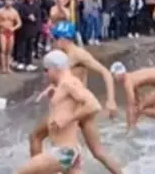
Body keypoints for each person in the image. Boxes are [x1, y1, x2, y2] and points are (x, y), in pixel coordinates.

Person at [30, 21, 122, 174]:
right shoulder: (62, 56)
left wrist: (111, 100)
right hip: (74, 105)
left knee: (37, 137)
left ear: (63, 39)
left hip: (78, 106)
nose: (53, 42)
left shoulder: (78, 53)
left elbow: (105, 72)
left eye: (54, 39)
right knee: (85, 151)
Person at [17, 50, 102, 174]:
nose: (46, 74)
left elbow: (94, 105)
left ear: (55, 68)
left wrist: (68, 119)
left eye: (46, 70)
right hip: (69, 152)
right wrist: (55, 94)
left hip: (63, 152)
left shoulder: (69, 83)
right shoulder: (64, 85)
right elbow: (67, 105)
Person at [109, 62, 155, 131]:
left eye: (113, 75)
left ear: (117, 75)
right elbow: (136, 100)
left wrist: (130, 127)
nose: (113, 78)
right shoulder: (132, 76)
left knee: (141, 107)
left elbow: (131, 105)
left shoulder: (127, 82)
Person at [0, 0, 21, 74]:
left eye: (9, 0)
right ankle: (3, 67)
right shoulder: (0, 11)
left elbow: (19, 23)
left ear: (12, 2)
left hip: (11, 32)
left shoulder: (14, 11)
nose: (8, 2)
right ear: (4, 1)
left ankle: (8, 67)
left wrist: (13, 28)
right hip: (2, 32)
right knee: (3, 49)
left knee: (9, 50)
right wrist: (0, 24)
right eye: (6, 0)